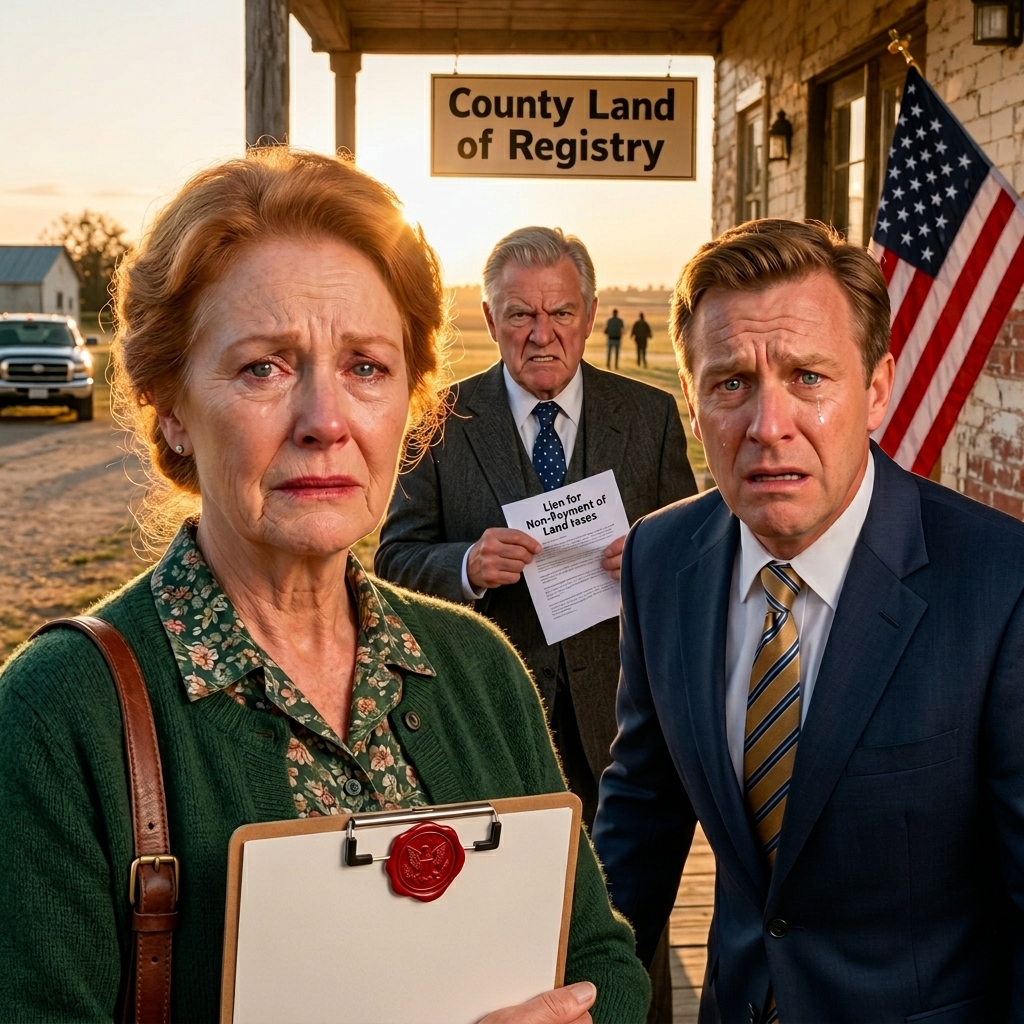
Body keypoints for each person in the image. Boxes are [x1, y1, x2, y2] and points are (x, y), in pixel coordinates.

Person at [0, 150, 650, 1024]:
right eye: (263, 367)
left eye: (366, 367)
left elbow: (601, 959)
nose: (325, 421)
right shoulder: (58, 715)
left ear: (412, 401)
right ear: (169, 405)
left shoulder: (478, 667)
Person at [592, 217, 1024, 1022]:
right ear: (692, 402)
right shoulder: (659, 558)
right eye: (731, 383)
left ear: (878, 389)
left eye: (808, 377)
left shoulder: (1002, 585)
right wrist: (584, 994)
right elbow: (642, 814)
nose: (768, 425)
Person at [375, 226, 695, 1022]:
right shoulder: (439, 419)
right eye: (520, 314)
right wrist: (464, 564)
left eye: (560, 313)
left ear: (590, 314)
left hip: (620, 723)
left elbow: (697, 553)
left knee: (627, 920)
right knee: (497, 921)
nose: (541, 334)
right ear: (490, 319)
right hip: (484, 721)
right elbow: (393, 557)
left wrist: (652, 554)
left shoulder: (649, 416)